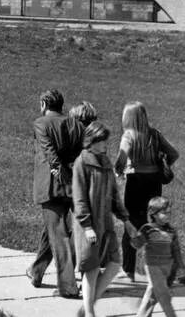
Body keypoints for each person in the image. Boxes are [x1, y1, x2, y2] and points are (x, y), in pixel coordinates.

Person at [73, 122, 137, 317]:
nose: (105, 145)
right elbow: (79, 198)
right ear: (91, 142)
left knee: (114, 263)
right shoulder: (81, 163)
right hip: (88, 226)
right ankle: (90, 312)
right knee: (91, 269)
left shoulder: (106, 162)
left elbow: (114, 196)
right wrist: (87, 226)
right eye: (102, 141)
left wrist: (126, 220)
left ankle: (85, 308)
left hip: (105, 224)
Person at [27, 89, 84, 298]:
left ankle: (68, 286)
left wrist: (59, 170)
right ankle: (37, 270)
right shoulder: (76, 124)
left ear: (44, 104)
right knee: (52, 228)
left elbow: (48, 150)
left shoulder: (41, 123)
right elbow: (81, 151)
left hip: (52, 184)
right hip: (73, 183)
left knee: (58, 233)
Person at [114, 102, 180, 281]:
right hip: (154, 184)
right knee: (154, 225)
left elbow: (121, 158)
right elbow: (174, 154)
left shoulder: (129, 135)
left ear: (129, 117)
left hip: (135, 184)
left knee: (132, 226)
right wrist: (161, 163)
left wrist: (119, 170)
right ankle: (160, 269)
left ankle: (128, 270)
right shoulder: (155, 134)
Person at [131, 196, 183, 317]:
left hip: (167, 266)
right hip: (153, 266)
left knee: (152, 295)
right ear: (153, 214)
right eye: (164, 213)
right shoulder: (147, 229)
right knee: (164, 297)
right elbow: (137, 244)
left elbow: (175, 248)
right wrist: (135, 239)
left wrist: (178, 262)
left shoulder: (171, 230)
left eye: (169, 212)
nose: (168, 215)